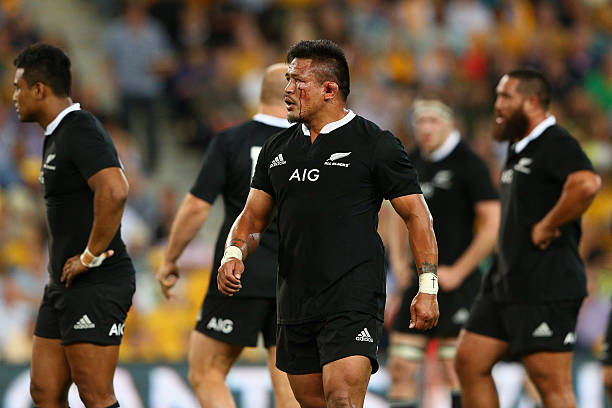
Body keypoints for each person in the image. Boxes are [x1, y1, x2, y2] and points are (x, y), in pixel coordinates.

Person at [217, 39, 440, 408]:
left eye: (296, 80)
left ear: (329, 90)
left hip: (352, 297)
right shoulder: (277, 148)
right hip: (295, 301)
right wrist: (233, 253)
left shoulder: (376, 144)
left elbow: (417, 215)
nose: (287, 90)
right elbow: (251, 219)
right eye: (287, 80)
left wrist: (427, 286)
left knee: (341, 399)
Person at [455, 68, 601, 408]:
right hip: (505, 283)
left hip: (545, 284)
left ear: (532, 102)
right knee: (470, 361)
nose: (498, 105)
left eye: (506, 97)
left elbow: (587, 184)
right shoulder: (520, 148)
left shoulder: (556, 142)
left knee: (551, 384)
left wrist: (548, 223)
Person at [156, 63, 299, 408]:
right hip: (296, 277)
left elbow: (195, 208)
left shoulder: (230, 141)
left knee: (206, 372)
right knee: (289, 381)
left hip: (239, 273)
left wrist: (171, 258)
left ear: (256, 95)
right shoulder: (311, 146)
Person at [13, 43, 135, 408]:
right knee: (44, 392)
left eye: (19, 87)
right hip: (62, 283)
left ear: (39, 89)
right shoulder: (56, 135)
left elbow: (114, 190)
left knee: (95, 394)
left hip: (96, 279)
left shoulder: (79, 128)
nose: (14, 96)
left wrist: (90, 255)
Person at [387, 98, 500, 408]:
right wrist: (397, 259)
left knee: (456, 370)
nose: (425, 128)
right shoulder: (409, 161)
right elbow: (396, 213)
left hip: (458, 283)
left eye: (433, 121)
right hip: (420, 278)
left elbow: (493, 223)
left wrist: (460, 270)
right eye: (420, 121)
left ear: (451, 124)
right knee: (401, 367)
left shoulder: (469, 163)